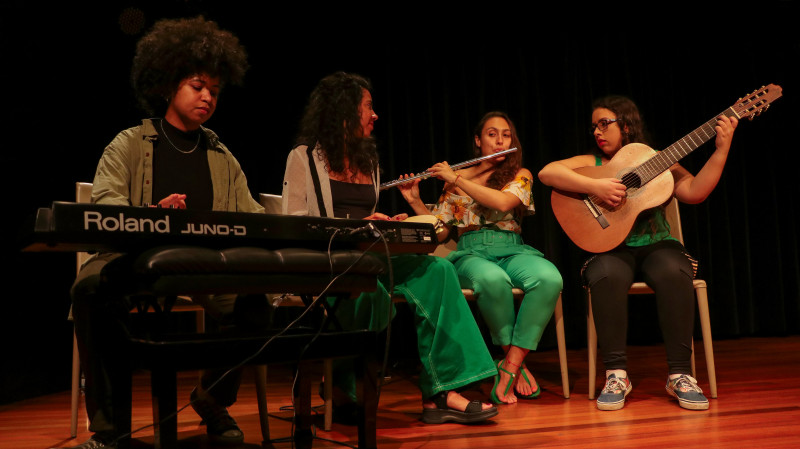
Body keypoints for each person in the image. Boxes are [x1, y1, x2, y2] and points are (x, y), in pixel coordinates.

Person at [63, 17, 265, 449]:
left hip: (208, 265)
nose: (207, 96)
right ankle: (109, 431)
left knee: (253, 301)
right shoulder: (129, 144)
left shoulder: (221, 154)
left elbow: (252, 214)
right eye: (197, 85)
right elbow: (106, 207)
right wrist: (151, 214)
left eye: (214, 88)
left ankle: (211, 399)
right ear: (168, 84)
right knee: (90, 287)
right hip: (136, 261)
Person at [282, 71, 499, 424]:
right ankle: (344, 389)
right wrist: (362, 226)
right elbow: (295, 224)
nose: (375, 115)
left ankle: (443, 393)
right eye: (368, 107)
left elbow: (366, 215)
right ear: (345, 110)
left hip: (373, 254)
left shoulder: (369, 162)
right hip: (331, 261)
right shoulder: (304, 157)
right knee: (369, 289)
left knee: (439, 270)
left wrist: (386, 223)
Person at [538, 95, 737, 411]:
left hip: (657, 243)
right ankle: (616, 374)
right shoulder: (593, 163)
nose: (597, 132)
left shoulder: (657, 160)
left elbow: (694, 192)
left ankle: (680, 375)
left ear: (626, 125)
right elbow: (547, 173)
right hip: (609, 248)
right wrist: (595, 187)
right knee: (606, 274)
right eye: (594, 126)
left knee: (674, 270)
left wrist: (721, 149)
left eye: (605, 123)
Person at [400, 111, 563, 404]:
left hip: (513, 249)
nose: (500, 141)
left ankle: (510, 365)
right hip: (471, 252)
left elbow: (502, 202)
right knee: (491, 279)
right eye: (492, 134)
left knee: (549, 277)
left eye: (506, 135)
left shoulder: (519, 175)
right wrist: (413, 200)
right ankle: (516, 364)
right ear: (478, 141)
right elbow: (439, 233)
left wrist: (456, 178)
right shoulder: (454, 184)